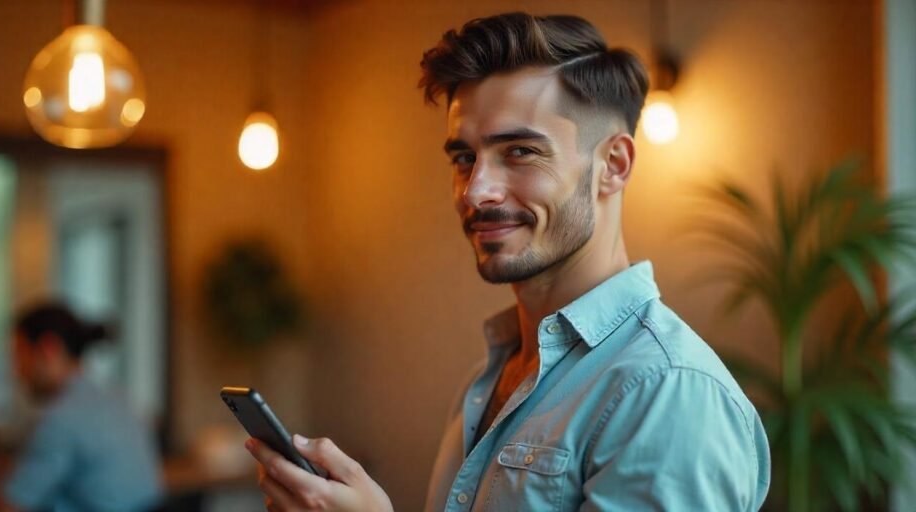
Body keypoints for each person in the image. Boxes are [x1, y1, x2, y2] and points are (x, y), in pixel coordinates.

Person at [245, 11, 771, 511]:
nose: (476, 191)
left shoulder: (668, 393)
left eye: (519, 151)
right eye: (463, 157)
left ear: (613, 165)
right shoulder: (489, 380)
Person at [0, 302, 161, 512]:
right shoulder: (117, 398)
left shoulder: (61, 418)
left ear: (48, 348)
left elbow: (10, 508)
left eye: (19, 356)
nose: (16, 372)